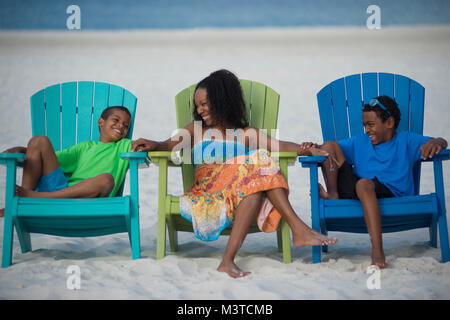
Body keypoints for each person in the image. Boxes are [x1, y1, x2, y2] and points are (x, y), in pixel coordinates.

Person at [132, 69, 338, 278]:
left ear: (221, 100)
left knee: (256, 186)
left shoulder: (247, 134)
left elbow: (280, 145)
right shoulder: (196, 131)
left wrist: (305, 149)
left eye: (204, 104)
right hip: (207, 193)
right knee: (260, 160)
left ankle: (227, 261)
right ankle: (299, 228)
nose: (200, 110)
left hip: (239, 193)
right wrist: (154, 144)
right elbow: (169, 145)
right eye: (197, 106)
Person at [317, 95, 448, 268]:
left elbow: (440, 142)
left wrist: (437, 142)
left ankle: (377, 250)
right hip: (357, 190)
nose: (367, 130)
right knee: (330, 147)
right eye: (365, 125)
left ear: (389, 123)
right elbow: (329, 150)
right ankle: (333, 195)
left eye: (371, 125)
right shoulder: (360, 141)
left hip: (391, 192)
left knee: (364, 185)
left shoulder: (406, 140)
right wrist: (314, 149)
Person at [0, 106, 133, 217]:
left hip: (90, 201)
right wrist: (24, 150)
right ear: (101, 122)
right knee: (38, 141)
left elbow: (145, 148)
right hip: (63, 191)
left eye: (126, 125)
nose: (121, 126)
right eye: (116, 120)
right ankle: (21, 204)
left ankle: (34, 197)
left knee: (106, 179)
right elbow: (48, 156)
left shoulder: (123, 146)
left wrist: (154, 145)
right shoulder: (85, 147)